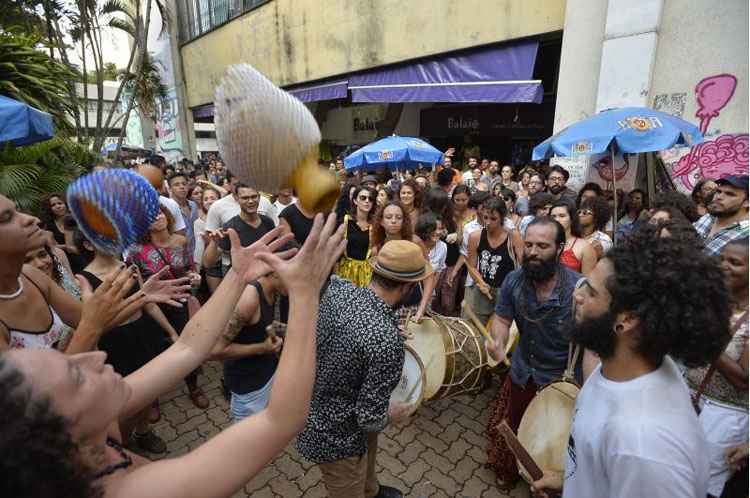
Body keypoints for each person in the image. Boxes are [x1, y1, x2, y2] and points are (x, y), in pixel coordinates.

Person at [0, 214, 346, 498]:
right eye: (75, 375)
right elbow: (281, 420)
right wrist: (304, 293)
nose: (94, 358)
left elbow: (187, 349)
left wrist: (238, 276)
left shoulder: (85, 430)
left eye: (69, 358)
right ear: (60, 431)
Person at [531, 229, 731, 498]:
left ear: (626, 320)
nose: (577, 296)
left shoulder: (645, 448)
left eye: (590, 292)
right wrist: (573, 479)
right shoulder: (625, 369)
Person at [297, 240, 430, 498]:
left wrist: (389, 328)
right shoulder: (387, 343)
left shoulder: (338, 289)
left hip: (313, 402)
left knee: (365, 467)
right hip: (337, 438)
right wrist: (392, 413)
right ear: (407, 286)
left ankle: (371, 490)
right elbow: (369, 419)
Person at [485, 217, 584, 487]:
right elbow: (502, 320)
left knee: (554, 438)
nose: (533, 252)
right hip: (522, 374)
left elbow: (593, 346)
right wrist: (498, 340)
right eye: (528, 244)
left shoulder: (580, 290)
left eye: (542, 245)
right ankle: (513, 471)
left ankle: (546, 484)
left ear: (560, 248)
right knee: (518, 426)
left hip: (561, 384)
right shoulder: (513, 281)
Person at [684, 238, 749, 497]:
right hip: (688, 402)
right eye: (722, 259)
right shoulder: (713, 303)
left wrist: (706, 340)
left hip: (726, 418)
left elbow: (744, 379)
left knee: (701, 489)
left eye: (735, 262)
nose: (724, 266)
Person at [127, 206, 207, 409]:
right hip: (152, 308)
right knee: (153, 351)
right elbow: (133, 282)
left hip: (180, 304)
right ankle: (152, 398)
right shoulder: (136, 250)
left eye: (161, 213)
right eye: (151, 216)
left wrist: (193, 276)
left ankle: (193, 387)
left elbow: (189, 269)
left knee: (186, 347)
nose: (159, 216)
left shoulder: (181, 242)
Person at [214, 266, 289, 422]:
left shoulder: (272, 289)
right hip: (247, 387)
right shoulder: (249, 299)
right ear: (275, 272)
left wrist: (284, 328)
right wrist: (263, 348)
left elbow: (260, 323)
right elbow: (215, 350)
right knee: (247, 442)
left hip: (266, 375)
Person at [463, 198, 522, 326]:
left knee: (502, 326)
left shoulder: (513, 236)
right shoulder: (475, 237)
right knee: (479, 326)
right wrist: (481, 282)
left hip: (506, 290)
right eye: (485, 217)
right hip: (483, 288)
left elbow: (524, 266)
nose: (488, 222)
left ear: (502, 218)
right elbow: (471, 266)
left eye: (493, 219)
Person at [203, 184, 276, 276]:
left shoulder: (267, 222)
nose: (250, 201)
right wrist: (214, 243)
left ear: (259, 197)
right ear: (237, 199)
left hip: (268, 278)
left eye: (254, 197)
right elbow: (208, 263)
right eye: (245, 198)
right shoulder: (230, 227)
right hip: (242, 280)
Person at [694, 175, 749, 257]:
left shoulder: (746, 235)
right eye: (719, 191)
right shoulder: (708, 216)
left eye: (730, 194)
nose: (719, 197)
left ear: (747, 202)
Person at [335, 186, 376, 287]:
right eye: (363, 198)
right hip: (345, 274)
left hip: (367, 276)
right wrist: (335, 278)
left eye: (370, 199)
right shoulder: (344, 222)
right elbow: (335, 253)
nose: (367, 201)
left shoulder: (375, 226)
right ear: (355, 201)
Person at [413, 213, 446, 322]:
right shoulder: (415, 244)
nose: (437, 232)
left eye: (440, 229)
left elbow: (437, 273)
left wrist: (429, 294)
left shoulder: (443, 247)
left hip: (428, 292)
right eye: (434, 229)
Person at [40, 193, 84, 273]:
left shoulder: (77, 219)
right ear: (49, 209)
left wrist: (61, 246)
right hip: (65, 262)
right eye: (53, 205)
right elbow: (51, 247)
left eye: (60, 203)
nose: (58, 206)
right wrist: (67, 246)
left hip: (83, 258)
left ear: (66, 204)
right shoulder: (49, 225)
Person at [550, 201, 597, 276]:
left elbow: (588, 283)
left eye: (562, 216)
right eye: (553, 216)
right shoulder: (543, 242)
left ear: (572, 219)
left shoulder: (584, 247)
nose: (557, 220)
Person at [193, 186, 221, 284]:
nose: (209, 201)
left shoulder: (227, 217)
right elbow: (199, 248)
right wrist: (197, 271)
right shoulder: (198, 223)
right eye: (205, 199)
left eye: (212, 198)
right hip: (212, 265)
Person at [168, 172, 200, 258]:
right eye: (177, 185)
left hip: (198, 253)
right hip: (179, 256)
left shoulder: (193, 205)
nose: (182, 187)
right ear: (170, 189)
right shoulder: (167, 209)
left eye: (184, 184)